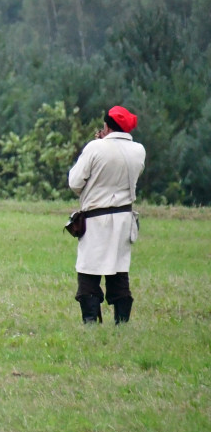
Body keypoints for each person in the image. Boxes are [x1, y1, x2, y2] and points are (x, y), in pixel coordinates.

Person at [68, 105, 146, 324]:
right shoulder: (139, 150)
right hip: (124, 219)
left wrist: (97, 143)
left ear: (108, 126)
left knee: (88, 270)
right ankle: (121, 324)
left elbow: (75, 183)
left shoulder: (95, 147)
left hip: (96, 220)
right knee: (119, 271)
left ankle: (91, 322)